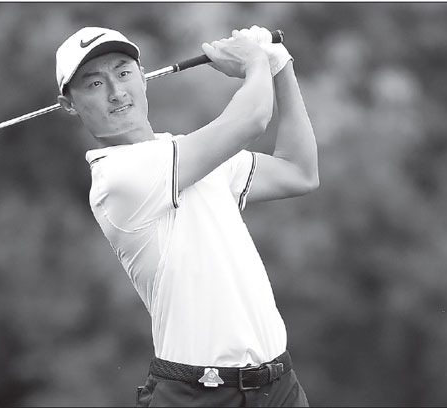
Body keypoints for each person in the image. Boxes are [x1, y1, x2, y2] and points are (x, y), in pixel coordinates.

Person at [55, 25, 318, 407]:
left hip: (279, 387)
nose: (116, 92)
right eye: (94, 84)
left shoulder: (188, 155)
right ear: (69, 104)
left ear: (143, 77)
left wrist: (280, 66)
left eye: (124, 73)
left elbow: (299, 171)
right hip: (197, 394)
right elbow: (251, 120)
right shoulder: (118, 177)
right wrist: (255, 61)